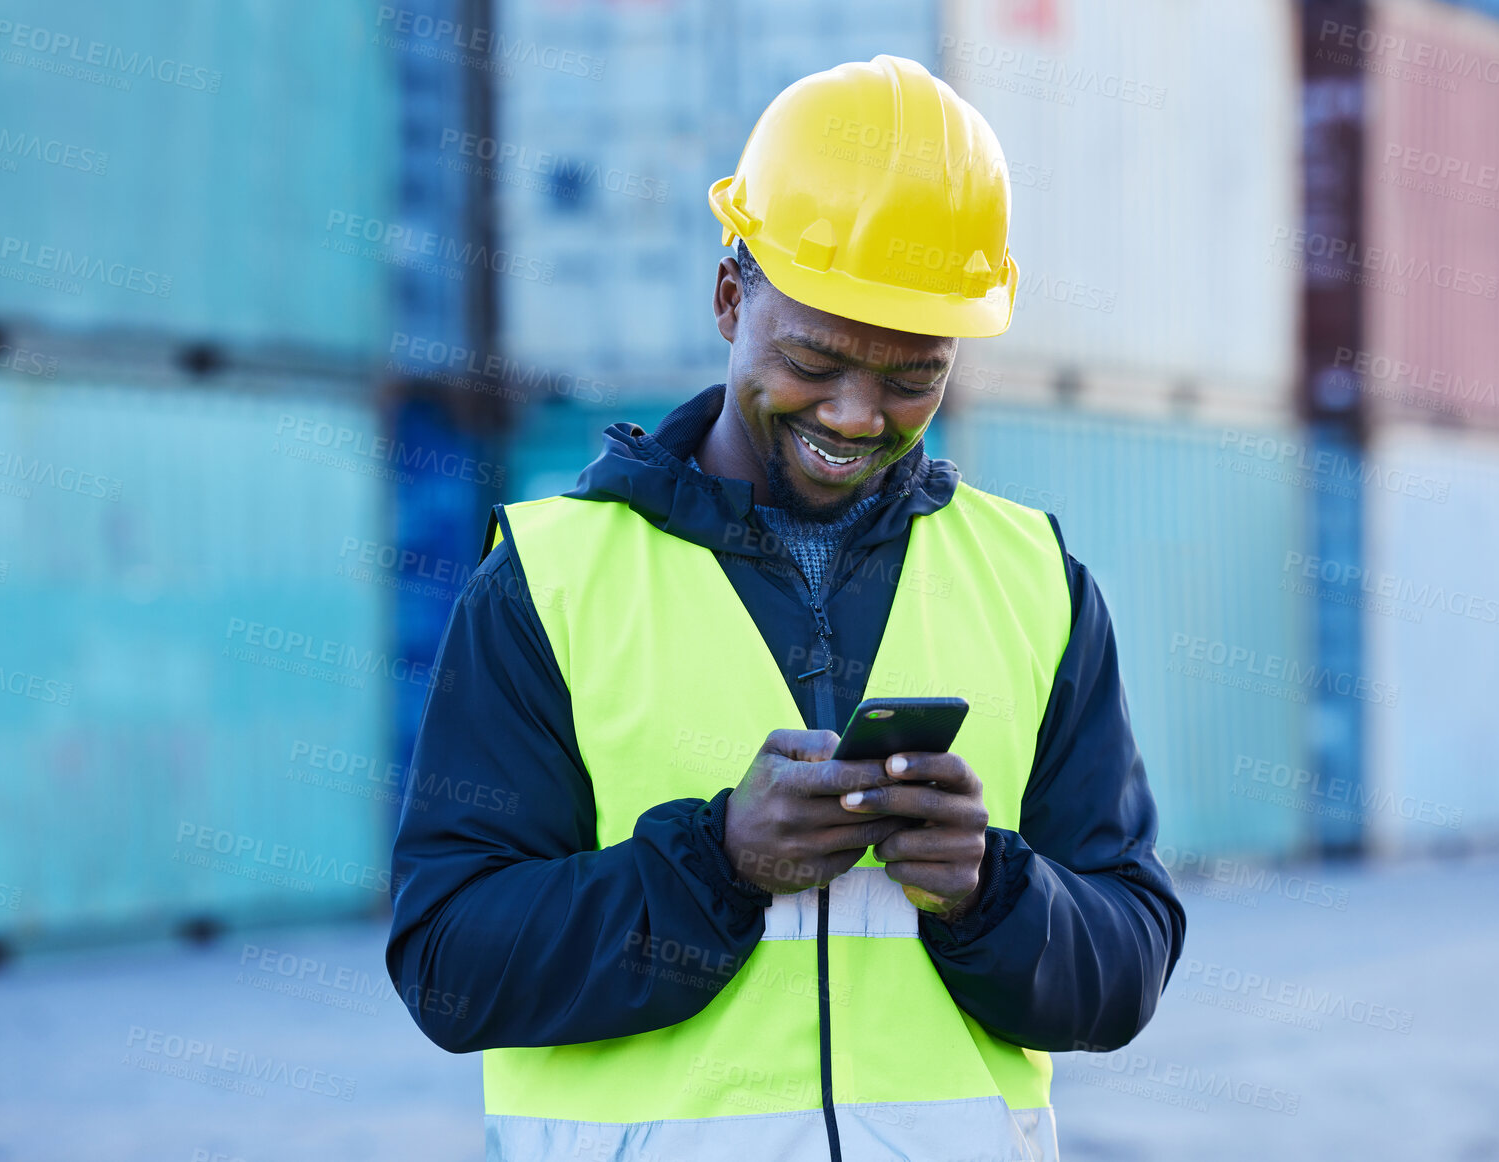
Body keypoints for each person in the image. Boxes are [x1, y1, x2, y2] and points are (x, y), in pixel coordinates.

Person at [387, 53, 1185, 1162]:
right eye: (814, 360)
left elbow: (1129, 964)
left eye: (915, 377)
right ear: (730, 297)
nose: (858, 416)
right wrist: (715, 861)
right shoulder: (547, 582)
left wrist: (990, 889)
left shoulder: (1036, 582)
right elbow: (449, 968)